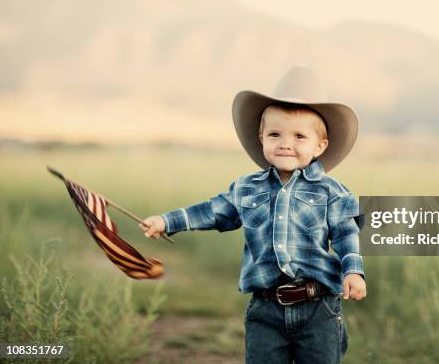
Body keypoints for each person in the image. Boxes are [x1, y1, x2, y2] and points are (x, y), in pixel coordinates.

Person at [139, 66, 366, 363]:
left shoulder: (331, 191)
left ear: (319, 145)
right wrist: (167, 221)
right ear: (261, 138)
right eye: (275, 134)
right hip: (265, 309)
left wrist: (353, 271)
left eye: (299, 136)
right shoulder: (246, 188)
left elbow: (346, 232)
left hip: (319, 307)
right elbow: (212, 211)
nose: (286, 142)